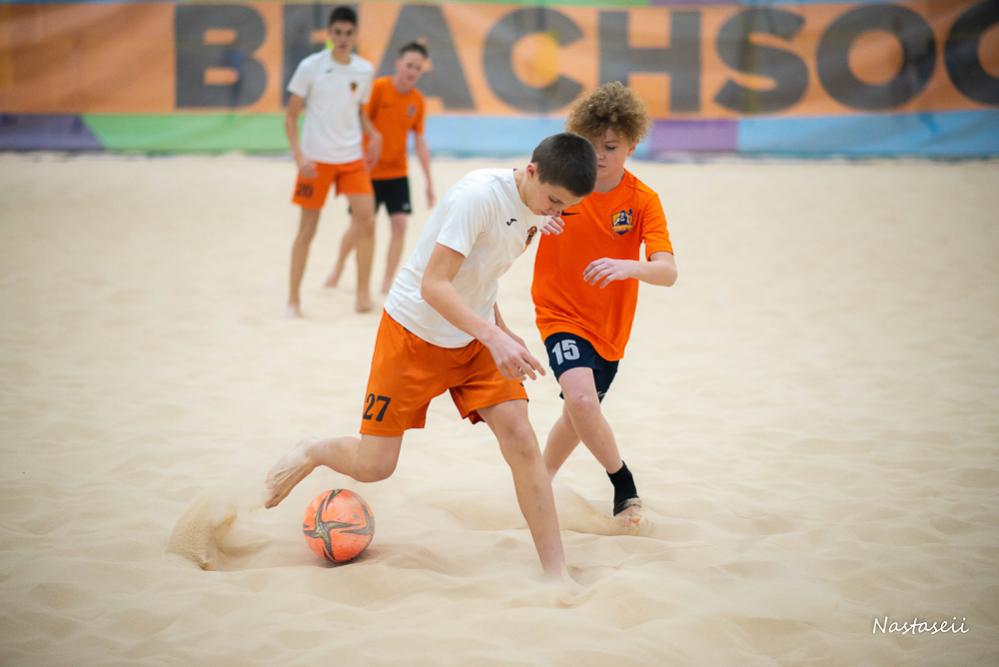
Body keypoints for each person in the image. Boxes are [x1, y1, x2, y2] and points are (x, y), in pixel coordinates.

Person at [264, 133, 597, 578]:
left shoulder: (538, 210)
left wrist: (502, 330)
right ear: (531, 171)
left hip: (475, 337)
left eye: (565, 208)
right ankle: (314, 448)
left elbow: (480, 276)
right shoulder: (478, 198)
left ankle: (557, 574)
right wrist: (494, 337)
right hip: (413, 333)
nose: (556, 213)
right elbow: (434, 284)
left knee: (521, 438)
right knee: (374, 467)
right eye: (554, 201)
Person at [531, 83, 678, 528]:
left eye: (611, 147)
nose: (599, 155)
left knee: (577, 414)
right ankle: (623, 484)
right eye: (592, 144)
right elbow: (512, 215)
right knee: (580, 398)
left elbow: (668, 271)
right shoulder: (562, 186)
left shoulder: (642, 200)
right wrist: (535, 222)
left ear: (632, 145)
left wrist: (628, 266)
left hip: (610, 327)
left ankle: (537, 480)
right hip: (558, 312)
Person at [284, 6, 381, 317]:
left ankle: (362, 297)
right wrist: (299, 156)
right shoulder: (310, 67)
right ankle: (293, 300)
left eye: (348, 33)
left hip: (351, 157)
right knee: (307, 230)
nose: (342, 38)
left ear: (355, 35)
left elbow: (357, 110)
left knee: (367, 219)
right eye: (337, 32)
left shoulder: (364, 70)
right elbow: (291, 116)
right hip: (316, 160)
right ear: (328, 34)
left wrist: (373, 133)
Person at [325, 42, 435, 295]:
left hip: (398, 172)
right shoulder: (378, 88)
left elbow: (420, 141)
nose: (412, 71)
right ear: (398, 64)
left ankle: (387, 283)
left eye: (418, 68)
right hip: (368, 171)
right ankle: (338, 267)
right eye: (409, 65)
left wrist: (429, 182)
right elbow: (358, 121)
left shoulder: (417, 101)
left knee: (400, 225)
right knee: (359, 224)